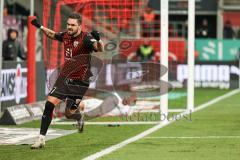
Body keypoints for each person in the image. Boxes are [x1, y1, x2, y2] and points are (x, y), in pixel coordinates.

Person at [30, 13, 104, 149]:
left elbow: (100, 49)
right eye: (68, 24)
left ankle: (79, 116)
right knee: (49, 103)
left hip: (80, 81)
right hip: (65, 77)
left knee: (69, 113)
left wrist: (99, 40)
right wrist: (39, 26)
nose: (69, 27)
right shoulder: (66, 36)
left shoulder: (87, 38)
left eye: (72, 25)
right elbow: (52, 35)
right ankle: (41, 139)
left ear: (79, 26)